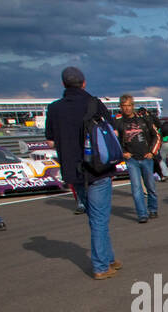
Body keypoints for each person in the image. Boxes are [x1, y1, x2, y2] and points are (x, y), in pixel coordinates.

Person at [45, 66, 118, 278]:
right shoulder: (93, 103)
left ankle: (108, 257)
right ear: (84, 83)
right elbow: (111, 131)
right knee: (100, 218)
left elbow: (50, 140)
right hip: (98, 167)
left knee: (94, 216)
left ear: (63, 84)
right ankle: (101, 265)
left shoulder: (54, 108)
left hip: (73, 170)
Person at [114, 94, 160, 222]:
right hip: (131, 159)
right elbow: (114, 140)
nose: (127, 108)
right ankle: (142, 214)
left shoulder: (144, 120)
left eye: (129, 106)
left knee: (150, 186)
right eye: (124, 106)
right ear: (121, 107)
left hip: (146, 157)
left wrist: (152, 152)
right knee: (136, 188)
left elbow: (156, 135)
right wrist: (123, 152)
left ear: (133, 106)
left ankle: (153, 209)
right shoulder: (118, 123)